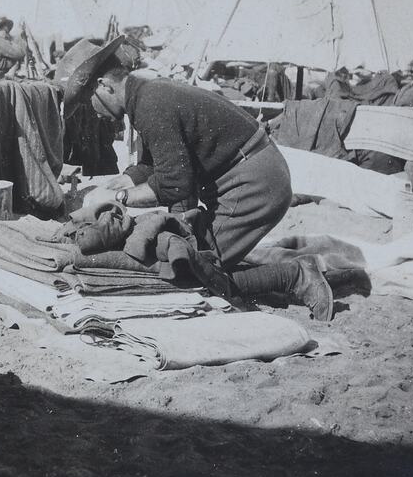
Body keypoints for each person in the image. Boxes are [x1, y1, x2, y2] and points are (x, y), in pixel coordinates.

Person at [59, 37, 335, 321]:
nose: (93, 111)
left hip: (254, 184)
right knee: (197, 257)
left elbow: (175, 184)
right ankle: (261, 280)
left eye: (88, 99)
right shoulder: (145, 94)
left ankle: (295, 275)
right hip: (248, 175)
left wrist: (120, 197)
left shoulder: (150, 103)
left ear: (105, 85)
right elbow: (155, 164)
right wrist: (119, 182)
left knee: (191, 270)